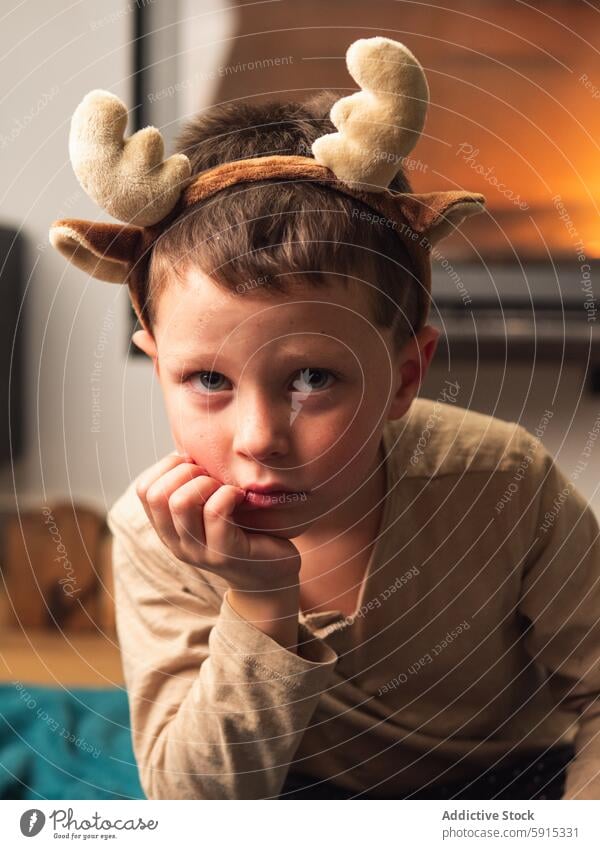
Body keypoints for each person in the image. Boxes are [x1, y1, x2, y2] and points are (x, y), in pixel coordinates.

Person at [49, 37, 600, 801]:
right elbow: (196, 804)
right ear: (157, 360)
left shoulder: (506, 481)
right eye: (207, 379)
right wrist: (260, 602)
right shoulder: (157, 536)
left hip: (507, 789)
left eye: (313, 378)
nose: (258, 439)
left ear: (405, 375)